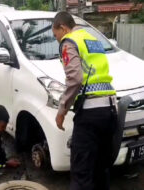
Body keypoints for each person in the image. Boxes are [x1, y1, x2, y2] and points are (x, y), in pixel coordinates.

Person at [52, 12, 117, 190]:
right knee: (101, 171)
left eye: (56, 35)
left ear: (63, 28)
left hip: (90, 114)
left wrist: (62, 110)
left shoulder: (69, 41)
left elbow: (75, 79)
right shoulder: (92, 39)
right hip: (110, 111)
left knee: (81, 174)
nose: (57, 39)